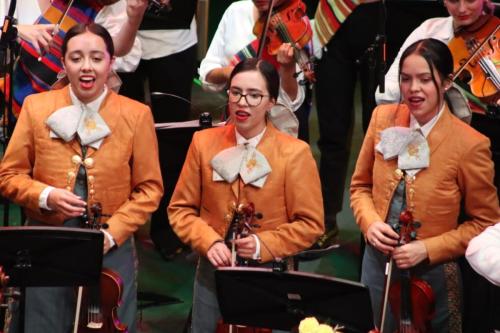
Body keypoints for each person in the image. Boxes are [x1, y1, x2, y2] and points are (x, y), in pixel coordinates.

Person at [0, 23, 163, 333]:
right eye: (76, 58)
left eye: (96, 58)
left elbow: (149, 189)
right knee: (44, 322)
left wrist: (113, 234)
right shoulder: (37, 107)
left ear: (111, 63)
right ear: (64, 64)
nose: (86, 67)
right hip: (48, 240)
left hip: (110, 243)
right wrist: (45, 195)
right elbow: (8, 175)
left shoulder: (136, 114)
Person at [350, 38, 499, 332]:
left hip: (433, 275)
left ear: (445, 83)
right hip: (377, 263)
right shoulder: (382, 118)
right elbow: (360, 187)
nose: (413, 89)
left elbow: (485, 222)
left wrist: (428, 248)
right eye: (406, 79)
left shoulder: (470, 144)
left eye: (425, 79)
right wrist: (369, 224)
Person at [168, 58, 324, 333]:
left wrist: (262, 244)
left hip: (269, 275)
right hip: (212, 271)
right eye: (236, 92)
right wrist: (209, 241)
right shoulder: (203, 143)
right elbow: (180, 210)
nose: (242, 102)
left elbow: (310, 225)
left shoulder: (294, 153)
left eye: (254, 96)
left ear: (271, 102)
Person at [375, 0, 499, 193]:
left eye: (471, 0)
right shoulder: (430, 30)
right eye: (453, 1)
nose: (462, 9)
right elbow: (387, 90)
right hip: (438, 137)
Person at [0, 0, 148, 115]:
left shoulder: (108, 9)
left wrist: (134, 19)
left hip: (59, 115)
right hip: (15, 98)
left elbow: (117, 48)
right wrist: (18, 30)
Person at [198, 0, 308, 140]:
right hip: (235, 121)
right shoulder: (235, 11)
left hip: (276, 130)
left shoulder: (295, 19)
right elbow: (208, 74)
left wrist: (288, 68)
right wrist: (234, 73)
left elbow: (293, 101)